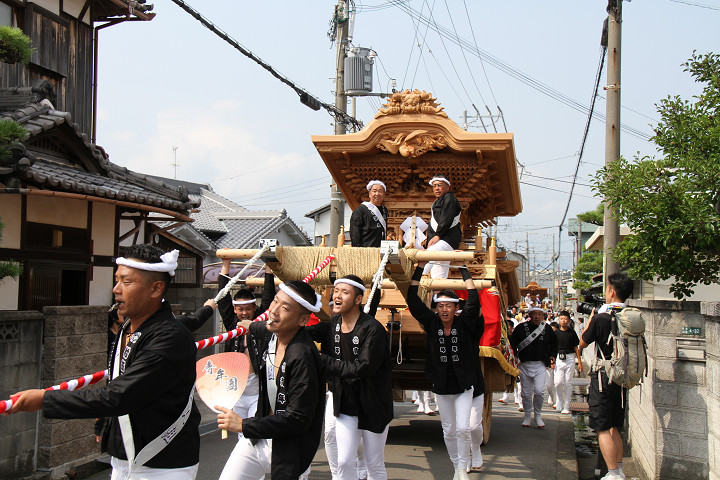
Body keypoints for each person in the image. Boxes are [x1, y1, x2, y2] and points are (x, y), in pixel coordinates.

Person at [8, 245, 201, 479]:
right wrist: (106, 424)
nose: (116, 289)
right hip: (125, 458)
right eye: (116, 280)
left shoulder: (169, 338)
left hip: (163, 464)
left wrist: (44, 399)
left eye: (126, 282)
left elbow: (117, 397)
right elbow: (117, 385)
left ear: (156, 288)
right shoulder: (128, 327)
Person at [216, 280, 326, 480]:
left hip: (290, 448)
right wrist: (249, 325)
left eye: (285, 308)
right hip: (257, 439)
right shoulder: (274, 334)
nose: (274, 310)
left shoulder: (303, 356)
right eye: (275, 301)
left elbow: (297, 418)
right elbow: (261, 328)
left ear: (303, 320)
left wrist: (243, 425)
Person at [305, 275, 394, 480]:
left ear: (358, 299)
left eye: (344, 292)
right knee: (344, 461)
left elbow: (364, 368)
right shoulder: (334, 322)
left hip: (373, 404)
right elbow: (310, 332)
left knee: (374, 464)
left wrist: (322, 360)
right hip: (346, 403)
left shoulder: (373, 329)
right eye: (336, 291)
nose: (337, 296)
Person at [407, 262, 482, 480]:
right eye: (441, 306)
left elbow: (474, 300)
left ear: (456, 307)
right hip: (441, 386)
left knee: (463, 428)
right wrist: (419, 268)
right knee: (448, 430)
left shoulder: (464, 323)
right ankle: (457, 466)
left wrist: (464, 269)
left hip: (463, 386)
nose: (444, 310)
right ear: (436, 308)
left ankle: (462, 468)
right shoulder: (432, 324)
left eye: (449, 306)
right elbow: (412, 300)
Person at [579, 273, 634, 480]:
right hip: (622, 377)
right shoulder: (630, 317)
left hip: (603, 378)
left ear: (611, 291)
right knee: (614, 427)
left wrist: (591, 320)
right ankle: (619, 471)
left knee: (602, 428)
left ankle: (613, 473)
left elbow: (583, 342)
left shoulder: (601, 318)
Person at [510, 306, 557, 428]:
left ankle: (537, 415)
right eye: (534, 314)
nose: (536, 317)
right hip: (524, 365)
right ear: (529, 315)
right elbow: (512, 342)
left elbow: (554, 343)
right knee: (526, 393)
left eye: (539, 314)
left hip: (540, 365)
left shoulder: (547, 328)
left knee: (539, 391)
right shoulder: (521, 328)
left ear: (543, 316)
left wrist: (552, 355)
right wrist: (515, 356)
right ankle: (527, 416)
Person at [423, 175, 462, 279]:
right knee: (438, 273)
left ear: (448, 187)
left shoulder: (449, 198)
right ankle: (438, 289)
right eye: (434, 186)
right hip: (441, 240)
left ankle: (415, 279)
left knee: (427, 258)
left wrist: (438, 235)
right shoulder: (436, 202)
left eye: (440, 185)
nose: (436, 188)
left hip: (446, 239)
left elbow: (446, 218)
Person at [554, 310, 582, 414]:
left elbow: (576, 348)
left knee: (567, 383)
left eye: (565, 319)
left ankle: (567, 406)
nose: (563, 321)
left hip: (570, 358)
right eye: (561, 319)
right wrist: (551, 360)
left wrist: (579, 362)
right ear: (559, 320)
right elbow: (552, 347)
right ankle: (559, 401)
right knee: (558, 382)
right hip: (559, 358)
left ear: (569, 320)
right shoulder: (556, 333)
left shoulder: (572, 333)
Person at [350, 180, 389, 247]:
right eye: (374, 191)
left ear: (384, 194)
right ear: (369, 194)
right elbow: (355, 232)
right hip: (366, 249)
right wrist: (357, 249)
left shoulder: (384, 210)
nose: (377, 194)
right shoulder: (361, 210)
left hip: (380, 249)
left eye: (380, 191)